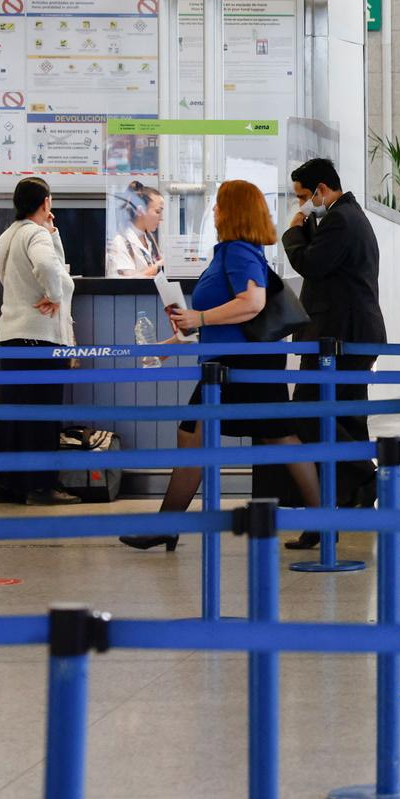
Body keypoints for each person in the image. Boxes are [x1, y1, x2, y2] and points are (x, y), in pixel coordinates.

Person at [121, 180, 324, 551]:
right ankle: (323, 521)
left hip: (242, 366)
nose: (213, 212)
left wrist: (197, 319)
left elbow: (252, 303)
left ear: (234, 212)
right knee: (260, 437)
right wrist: (172, 344)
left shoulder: (238, 252)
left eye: (218, 206)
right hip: (236, 362)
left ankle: (168, 525)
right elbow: (223, 318)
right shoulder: (232, 252)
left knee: (266, 437)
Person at [279, 158, 387, 548]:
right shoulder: (343, 217)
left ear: (322, 190)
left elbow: (311, 263)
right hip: (348, 334)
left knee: (309, 411)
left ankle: (364, 478)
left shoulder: (341, 220)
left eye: (305, 197)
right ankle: (354, 498)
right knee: (350, 418)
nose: (302, 206)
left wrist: (292, 233)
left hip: (340, 337)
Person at [0, 177, 78, 506]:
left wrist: (53, 235)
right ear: (45, 203)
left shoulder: (9, 235)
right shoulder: (36, 234)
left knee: (14, 413)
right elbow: (49, 267)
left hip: (12, 334)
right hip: (39, 338)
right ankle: (42, 486)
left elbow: (39, 266)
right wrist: (54, 295)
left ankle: (5, 485)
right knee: (42, 412)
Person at [105, 182, 166, 277]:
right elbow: (129, 282)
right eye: (158, 211)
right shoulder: (120, 242)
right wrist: (158, 267)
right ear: (141, 210)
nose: (161, 218)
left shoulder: (150, 239)